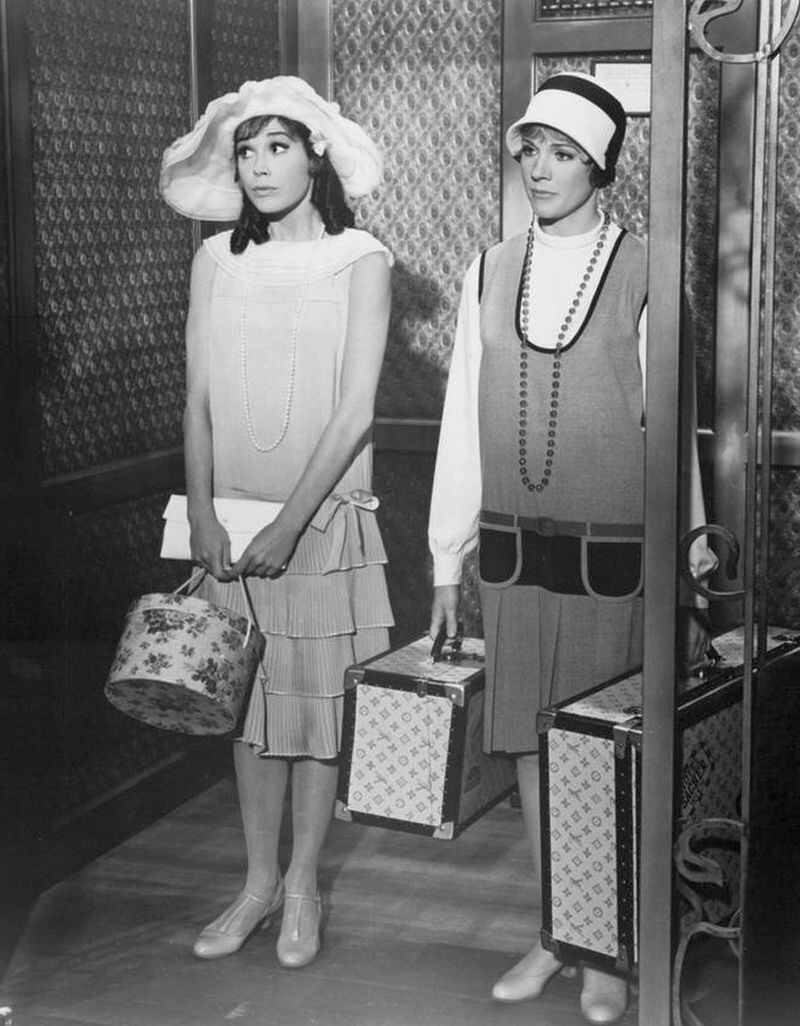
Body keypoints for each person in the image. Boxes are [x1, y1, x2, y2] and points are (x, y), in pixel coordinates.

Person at [427, 73, 716, 1024]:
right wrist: (444, 559)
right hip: (514, 557)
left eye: (562, 153)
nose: (540, 169)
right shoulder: (486, 269)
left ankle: (609, 950)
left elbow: (673, 439)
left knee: (601, 752)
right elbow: (458, 423)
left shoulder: (646, 272)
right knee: (527, 742)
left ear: (600, 167)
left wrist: (689, 565)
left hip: (615, 562)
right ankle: (558, 932)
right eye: (530, 150)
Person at [159, 76, 393, 969]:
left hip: (320, 526)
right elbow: (197, 401)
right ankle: (256, 884)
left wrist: (292, 525)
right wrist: (204, 511)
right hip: (227, 523)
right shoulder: (214, 261)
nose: (259, 166)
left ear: (314, 158)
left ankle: (302, 886)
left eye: (278, 147)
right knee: (249, 711)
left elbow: (355, 411)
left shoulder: (361, 260)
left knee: (313, 712)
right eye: (247, 151)